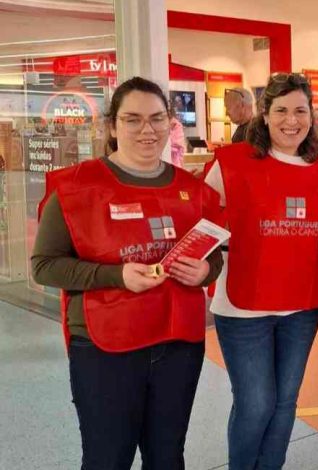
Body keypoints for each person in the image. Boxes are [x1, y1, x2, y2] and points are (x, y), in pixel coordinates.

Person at [31, 76, 224, 470]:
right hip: (105, 348)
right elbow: (45, 266)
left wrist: (205, 270)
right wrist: (117, 276)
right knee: (108, 458)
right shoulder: (74, 188)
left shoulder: (194, 190)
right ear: (113, 126)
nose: (146, 129)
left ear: (170, 123)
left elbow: (215, 255)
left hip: (177, 344)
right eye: (132, 119)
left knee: (167, 456)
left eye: (156, 119)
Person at [204, 73, 318, 470]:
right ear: (264, 114)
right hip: (244, 308)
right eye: (281, 110)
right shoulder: (230, 162)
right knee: (256, 403)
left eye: (300, 111)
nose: (291, 120)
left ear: (311, 116)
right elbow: (202, 223)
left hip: (302, 306)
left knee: (284, 403)